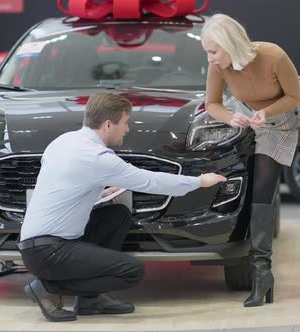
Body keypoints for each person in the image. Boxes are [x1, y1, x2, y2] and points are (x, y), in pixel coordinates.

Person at [18, 92, 226, 322]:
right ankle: (47, 288)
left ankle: (90, 300)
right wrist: (199, 181)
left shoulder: (65, 141)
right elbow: (150, 181)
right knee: (131, 271)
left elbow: (64, 188)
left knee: (116, 215)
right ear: (108, 124)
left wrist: (100, 192)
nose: (127, 129)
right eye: (125, 123)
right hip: (49, 252)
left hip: (36, 244)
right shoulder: (98, 157)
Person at [201, 14, 300, 306]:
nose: (209, 58)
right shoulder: (218, 67)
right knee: (261, 192)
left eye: (213, 51)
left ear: (229, 44)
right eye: (207, 52)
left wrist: (265, 113)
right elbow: (212, 103)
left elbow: (294, 96)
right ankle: (262, 276)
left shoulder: (273, 55)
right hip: (269, 124)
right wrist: (231, 116)